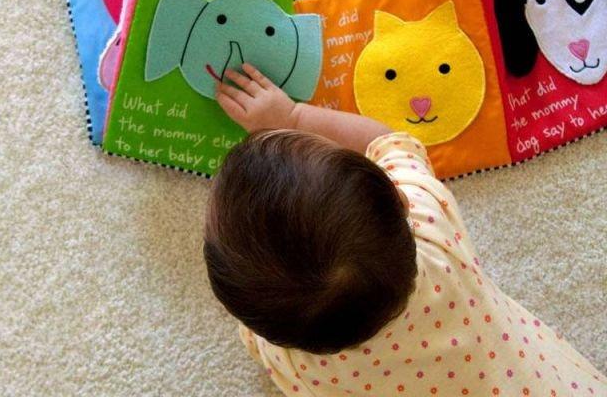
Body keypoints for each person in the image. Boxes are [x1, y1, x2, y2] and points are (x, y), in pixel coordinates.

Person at [203, 63, 606, 396]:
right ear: (399, 195)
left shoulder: (295, 363)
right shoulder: (432, 227)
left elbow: (258, 336)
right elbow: (388, 141)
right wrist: (293, 117)